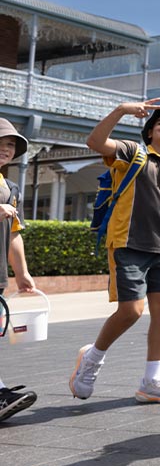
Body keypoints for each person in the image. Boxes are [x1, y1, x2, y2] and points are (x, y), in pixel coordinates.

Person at [70, 102, 160, 404]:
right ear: (150, 131)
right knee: (132, 311)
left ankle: (152, 380)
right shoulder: (132, 153)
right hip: (128, 242)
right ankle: (92, 358)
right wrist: (121, 111)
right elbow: (95, 142)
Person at [0, 118, 38, 423]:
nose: (6, 149)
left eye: (10, 144)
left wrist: (22, 274)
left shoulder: (10, 188)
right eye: (0, 142)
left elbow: (14, 234)